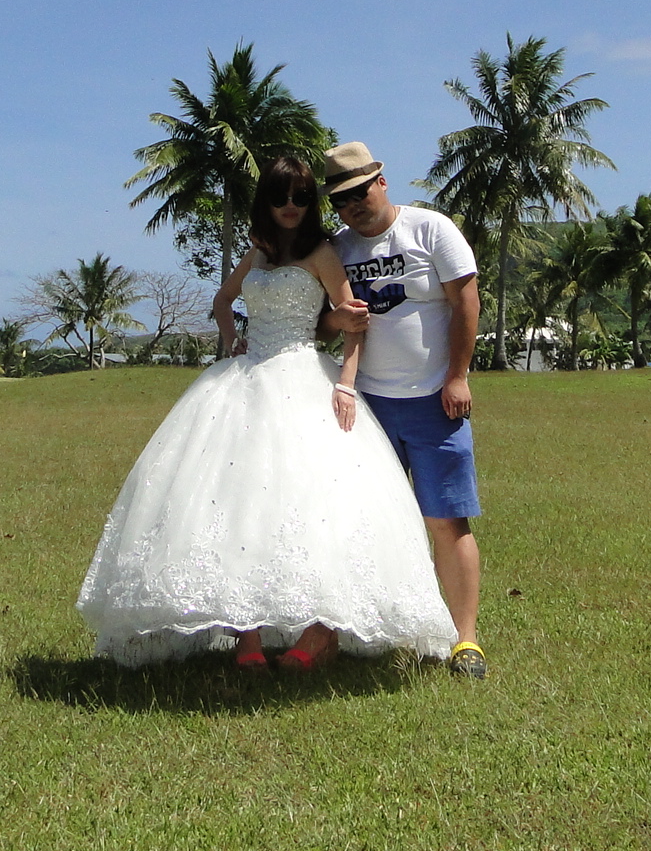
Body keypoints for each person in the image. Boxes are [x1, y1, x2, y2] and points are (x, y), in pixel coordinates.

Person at [76, 156, 457, 670]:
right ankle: (246, 635)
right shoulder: (256, 253)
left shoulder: (323, 253)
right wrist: (231, 339)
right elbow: (223, 299)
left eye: (301, 198)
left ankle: (319, 629)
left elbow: (353, 321)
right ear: (266, 203)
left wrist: (346, 384)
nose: (291, 207)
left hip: (304, 376)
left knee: (313, 500)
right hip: (244, 381)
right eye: (280, 198)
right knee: (233, 500)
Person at [322, 141, 488, 680]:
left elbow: (467, 301)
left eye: (359, 192)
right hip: (365, 406)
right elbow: (319, 320)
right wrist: (334, 322)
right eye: (341, 200)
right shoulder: (336, 249)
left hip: (433, 401)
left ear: (382, 182)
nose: (352, 206)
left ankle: (465, 640)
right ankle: (372, 627)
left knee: (446, 520)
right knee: (366, 522)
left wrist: (457, 375)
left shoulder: (431, 230)